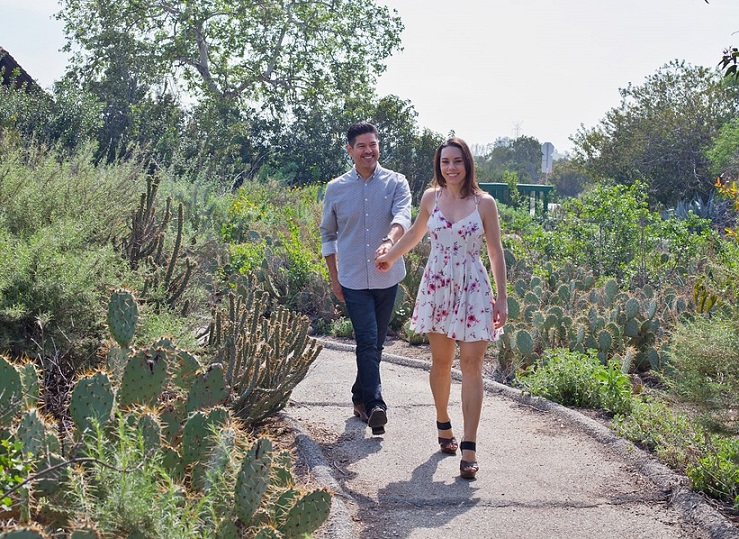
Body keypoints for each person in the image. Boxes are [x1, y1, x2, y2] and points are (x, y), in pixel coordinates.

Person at [375, 137, 507, 478]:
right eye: (445, 161)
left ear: (467, 165)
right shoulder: (430, 198)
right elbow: (416, 233)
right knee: (442, 363)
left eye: (457, 161)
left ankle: (470, 445)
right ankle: (443, 422)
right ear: (439, 165)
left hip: (474, 288)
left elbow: (495, 252)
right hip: (437, 286)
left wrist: (502, 297)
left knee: (472, 365)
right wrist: (390, 256)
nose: (451, 167)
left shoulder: (485, 203)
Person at [320, 122, 412, 435]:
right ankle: (375, 405)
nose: (368, 150)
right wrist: (334, 277)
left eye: (373, 144)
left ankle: (359, 396)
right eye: (361, 145)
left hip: (388, 278)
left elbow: (403, 216)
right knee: (368, 339)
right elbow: (328, 234)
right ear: (350, 150)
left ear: (378, 146)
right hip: (353, 278)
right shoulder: (336, 189)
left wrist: (390, 240)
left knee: (375, 344)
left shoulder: (396, 182)